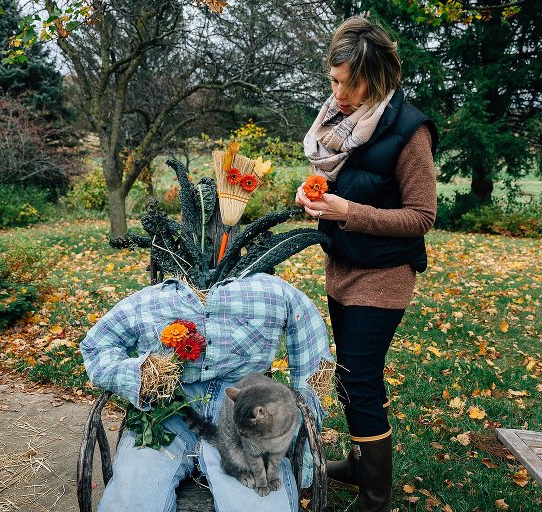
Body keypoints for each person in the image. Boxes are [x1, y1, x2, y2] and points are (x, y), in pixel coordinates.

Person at [295, 16, 437, 512]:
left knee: (359, 378)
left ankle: (375, 495)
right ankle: (360, 465)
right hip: (343, 266)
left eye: (347, 85)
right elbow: (344, 184)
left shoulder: (409, 131)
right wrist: (313, 195)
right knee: (351, 378)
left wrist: (348, 212)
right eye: (333, 80)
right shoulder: (338, 124)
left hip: (385, 275)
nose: (337, 94)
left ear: (374, 80)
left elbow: (422, 217)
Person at [80, 272, 333, 512]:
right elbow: (96, 346)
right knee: (133, 498)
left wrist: (298, 445)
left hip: (241, 411)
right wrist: (141, 375)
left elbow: (311, 353)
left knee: (257, 502)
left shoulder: (272, 292)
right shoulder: (149, 299)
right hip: (166, 411)